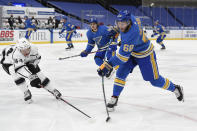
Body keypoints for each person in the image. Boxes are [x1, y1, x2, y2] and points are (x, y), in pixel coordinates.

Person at [97, 10, 184, 111]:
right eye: (118, 23)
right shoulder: (131, 18)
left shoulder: (131, 34)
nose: (120, 26)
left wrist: (108, 65)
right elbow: (124, 34)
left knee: (154, 81)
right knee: (120, 73)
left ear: (128, 23)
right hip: (132, 51)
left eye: (123, 24)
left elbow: (122, 58)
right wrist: (117, 30)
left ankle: (175, 88)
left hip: (145, 54)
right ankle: (114, 97)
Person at [0, 38, 62, 103]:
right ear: (19, 49)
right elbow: (19, 69)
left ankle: (53, 89)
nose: (26, 52)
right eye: (23, 50)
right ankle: (25, 91)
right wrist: (31, 77)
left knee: (39, 74)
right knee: (14, 72)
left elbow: (38, 58)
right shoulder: (16, 54)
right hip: (8, 62)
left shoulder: (33, 48)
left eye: (28, 49)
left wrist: (33, 65)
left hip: (23, 60)